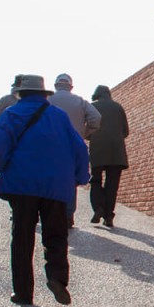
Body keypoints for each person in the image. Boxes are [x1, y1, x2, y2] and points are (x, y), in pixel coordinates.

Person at [0, 74, 90, 306]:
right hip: (55, 187)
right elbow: (80, 149)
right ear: (44, 94)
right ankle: (57, 279)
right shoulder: (59, 117)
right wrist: (80, 177)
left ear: (20, 94)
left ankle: (23, 293)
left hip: (21, 186)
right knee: (56, 236)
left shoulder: (11, 114)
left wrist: (4, 168)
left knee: (22, 238)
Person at [49, 74, 101, 226]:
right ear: (71, 87)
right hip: (73, 146)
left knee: (50, 179)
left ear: (56, 85)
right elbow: (96, 118)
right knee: (70, 180)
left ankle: (51, 213)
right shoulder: (80, 101)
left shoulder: (47, 101)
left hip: (51, 146)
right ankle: (68, 214)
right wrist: (85, 133)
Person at [87, 84, 130, 228]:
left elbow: (87, 129)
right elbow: (125, 131)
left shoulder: (92, 106)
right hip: (116, 152)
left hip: (98, 149)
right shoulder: (118, 107)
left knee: (96, 180)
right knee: (112, 184)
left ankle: (98, 207)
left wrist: (93, 137)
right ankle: (109, 215)